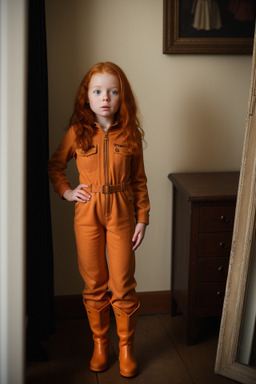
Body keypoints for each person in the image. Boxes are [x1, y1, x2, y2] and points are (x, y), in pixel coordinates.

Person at [48, 62, 150, 377]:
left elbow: (140, 182)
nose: (105, 97)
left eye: (113, 91)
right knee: (94, 284)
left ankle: (125, 349)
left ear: (122, 98)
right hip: (88, 213)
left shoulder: (130, 134)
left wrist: (142, 218)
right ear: (87, 98)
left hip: (121, 212)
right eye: (97, 91)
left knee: (123, 284)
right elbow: (56, 166)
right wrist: (67, 192)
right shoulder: (78, 132)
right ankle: (100, 345)